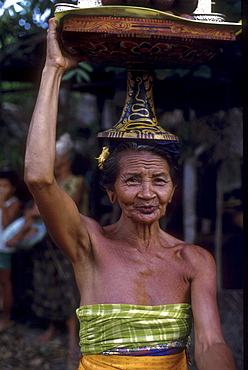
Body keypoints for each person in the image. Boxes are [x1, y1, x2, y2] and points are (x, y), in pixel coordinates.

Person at [24, 18, 236, 370]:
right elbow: (39, 178)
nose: (147, 193)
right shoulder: (88, 244)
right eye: (132, 180)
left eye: (159, 180)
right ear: (110, 190)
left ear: (173, 190)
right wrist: (54, 69)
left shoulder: (194, 260)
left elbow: (211, 342)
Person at [31, 133, 85, 368]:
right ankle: (53, 327)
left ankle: (73, 337)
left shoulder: (77, 182)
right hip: (45, 243)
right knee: (46, 283)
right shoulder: (48, 184)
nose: (53, 160)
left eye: (57, 156)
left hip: (66, 242)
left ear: (67, 159)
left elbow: (68, 208)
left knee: (67, 285)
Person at [0, 170, 21, 331]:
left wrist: (2, 203)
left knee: (5, 282)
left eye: (5, 186)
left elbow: (8, 226)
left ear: (12, 188)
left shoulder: (14, 203)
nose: (1, 189)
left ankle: (6, 317)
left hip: (5, 249)